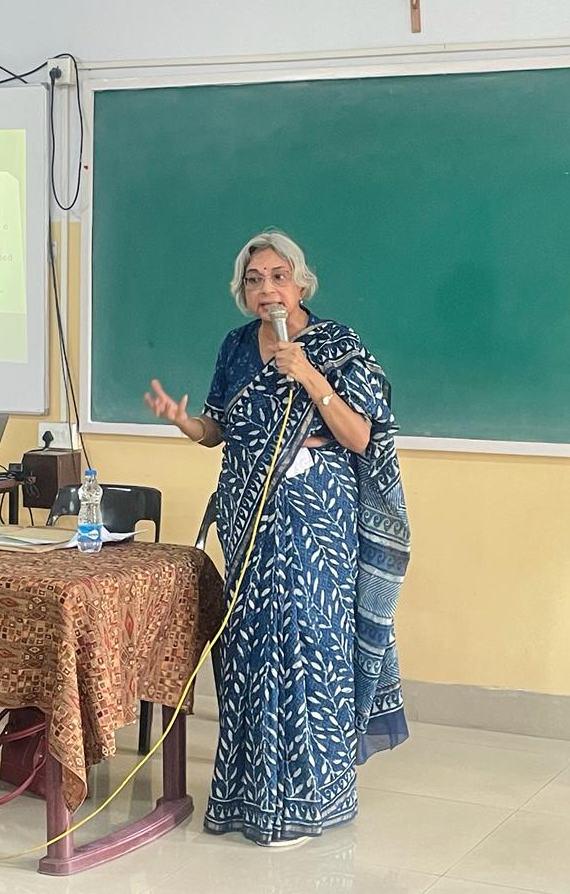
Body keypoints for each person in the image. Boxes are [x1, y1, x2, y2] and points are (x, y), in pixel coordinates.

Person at [144, 231, 410, 847]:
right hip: (248, 515)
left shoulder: (336, 345)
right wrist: (185, 423)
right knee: (249, 649)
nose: (268, 290)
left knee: (304, 644)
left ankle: (308, 802)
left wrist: (310, 375)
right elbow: (218, 429)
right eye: (255, 279)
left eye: (278, 277)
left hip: (315, 518)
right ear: (243, 291)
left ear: (300, 284)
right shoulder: (235, 346)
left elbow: (362, 438)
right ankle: (249, 798)